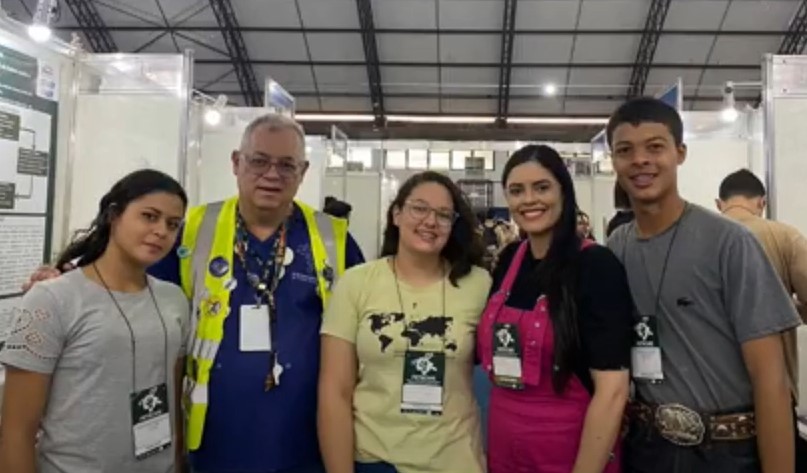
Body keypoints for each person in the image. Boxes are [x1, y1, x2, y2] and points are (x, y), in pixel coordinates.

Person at [22, 114, 365, 473]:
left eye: (286, 165)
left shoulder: (335, 238)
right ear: (236, 162)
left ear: (303, 171)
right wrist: (67, 282)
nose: (272, 174)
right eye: (259, 160)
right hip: (212, 439)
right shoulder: (191, 230)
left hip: (308, 437)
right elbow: (128, 287)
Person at [606, 97, 801, 473]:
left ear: (680, 153)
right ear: (613, 161)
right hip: (646, 447)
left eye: (655, 147)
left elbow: (771, 378)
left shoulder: (729, 243)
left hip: (727, 451)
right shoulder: (616, 248)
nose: (640, 160)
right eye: (625, 150)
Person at [0, 170, 190, 473]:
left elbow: (174, 399)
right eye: (149, 216)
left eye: (172, 224)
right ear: (114, 215)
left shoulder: (174, 300)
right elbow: (15, 431)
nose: (161, 232)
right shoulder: (52, 299)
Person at [318, 171, 489, 473]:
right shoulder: (356, 283)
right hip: (376, 460)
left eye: (443, 214)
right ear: (396, 214)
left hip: (456, 460)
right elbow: (335, 391)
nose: (430, 221)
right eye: (419, 208)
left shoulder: (478, 284)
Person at [477, 144, 633, 473]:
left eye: (542, 187)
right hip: (504, 446)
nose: (529, 199)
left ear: (564, 191)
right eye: (516, 191)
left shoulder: (595, 265)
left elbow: (613, 391)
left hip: (570, 450)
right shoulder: (509, 260)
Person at [716, 168, 807, 469]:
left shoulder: (706, 237)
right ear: (762, 202)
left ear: (720, 203)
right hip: (776, 392)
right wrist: (786, 312)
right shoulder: (785, 236)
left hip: (713, 401)